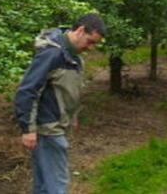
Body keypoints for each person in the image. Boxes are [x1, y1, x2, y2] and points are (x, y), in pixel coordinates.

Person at [14, 13, 106, 194]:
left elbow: (67, 90)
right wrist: (28, 128)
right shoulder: (52, 54)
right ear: (80, 31)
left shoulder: (73, 57)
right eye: (90, 41)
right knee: (57, 184)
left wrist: (73, 116)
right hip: (49, 128)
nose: (91, 47)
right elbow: (28, 91)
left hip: (56, 126)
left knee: (43, 184)